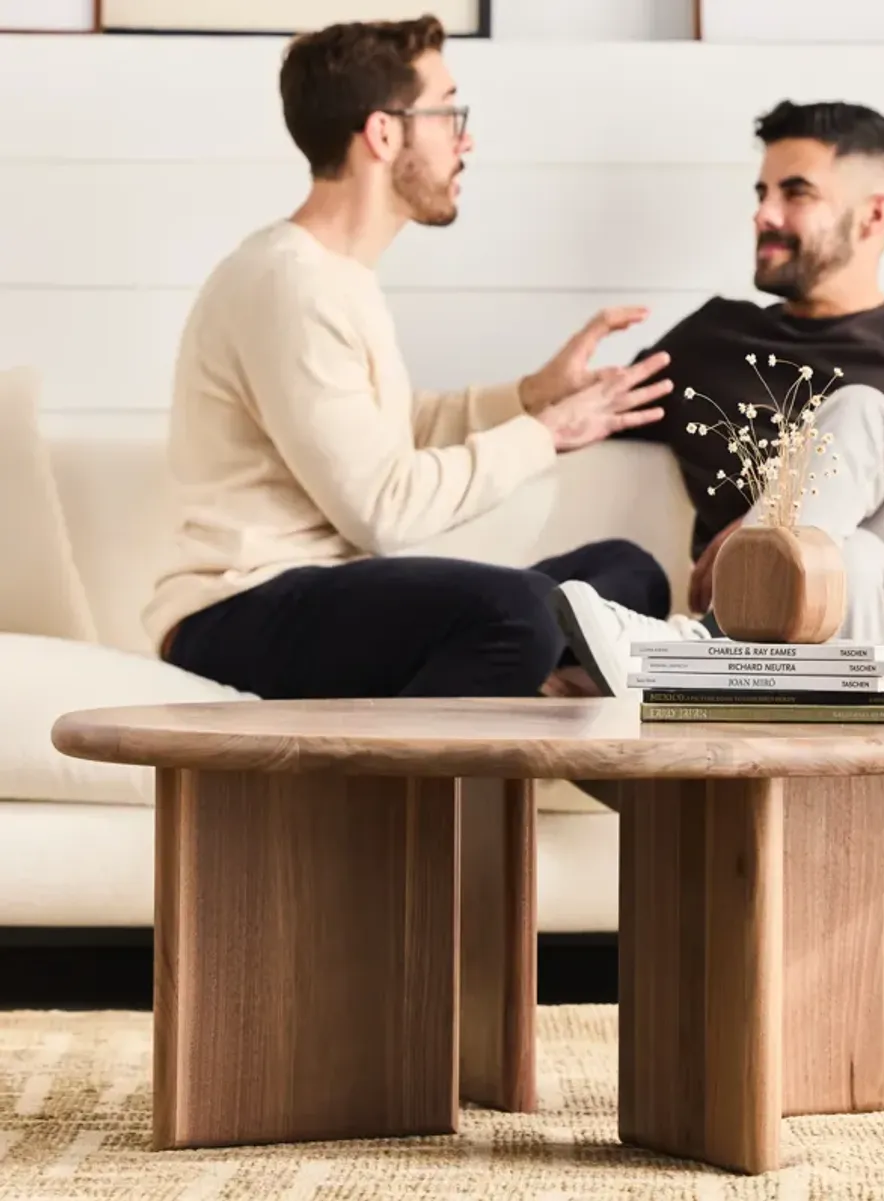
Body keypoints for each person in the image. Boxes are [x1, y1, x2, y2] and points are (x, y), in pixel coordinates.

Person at [143, 16, 697, 700]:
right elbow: (383, 509)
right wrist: (548, 434)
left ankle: (529, 682)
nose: (464, 139)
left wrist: (532, 395)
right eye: (447, 112)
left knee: (627, 573)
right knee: (520, 611)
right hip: (236, 613)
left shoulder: (337, 276)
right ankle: (443, 763)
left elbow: (394, 430)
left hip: (321, 598)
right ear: (383, 132)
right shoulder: (288, 283)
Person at [551, 100, 884, 697]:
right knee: (846, 562)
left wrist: (770, 525)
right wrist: (543, 396)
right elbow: (594, 415)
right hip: (834, 612)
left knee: (859, 414)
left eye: (795, 193)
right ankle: (766, 693)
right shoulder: (713, 339)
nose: (763, 214)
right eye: (761, 193)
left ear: (873, 216)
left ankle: (715, 643)